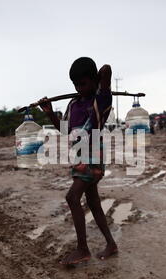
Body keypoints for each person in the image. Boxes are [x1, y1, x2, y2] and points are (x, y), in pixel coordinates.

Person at [39, 57, 117, 265]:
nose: (78, 88)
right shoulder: (73, 104)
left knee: (72, 197)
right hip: (80, 155)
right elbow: (65, 131)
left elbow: (106, 69)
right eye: (75, 84)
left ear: (94, 81)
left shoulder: (100, 100)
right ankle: (111, 244)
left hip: (93, 155)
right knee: (93, 202)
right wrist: (49, 113)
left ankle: (82, 249)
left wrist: (98, 84)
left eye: (83, 83)